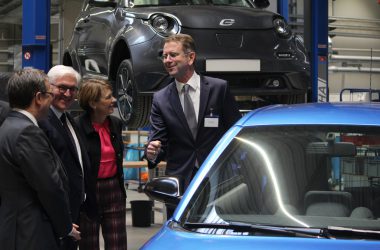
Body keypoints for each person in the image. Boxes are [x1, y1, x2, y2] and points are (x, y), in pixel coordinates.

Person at [145, 34, 241, 217]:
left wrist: (238, 169)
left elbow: (234, 132)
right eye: (164, 56)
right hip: (181, 183)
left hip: (218, 176)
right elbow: (158, 141)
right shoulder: (161, 98)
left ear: (190, 57)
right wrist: (152, 151)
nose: (167, 60)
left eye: (173, 55)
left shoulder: (219, 88)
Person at [0, 68, 80, 250]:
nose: (52, 99)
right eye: (50, 94)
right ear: (38, 98)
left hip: (15, 227)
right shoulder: (28, 133)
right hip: (31, 233)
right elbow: (49, 187)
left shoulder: (7, 126)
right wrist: (66, 227)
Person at [38, 65, 96, 250]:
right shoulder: (42, 122)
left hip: (74, 210)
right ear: (48, 87)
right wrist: (61, 218)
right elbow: (45, 178)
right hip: (55, 216)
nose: (67, 93)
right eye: (62, 88)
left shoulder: (69, 119)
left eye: (73, 89)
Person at [75, 78, 127, 250]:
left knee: (117, 243)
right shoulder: (77, 126)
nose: (113, 100)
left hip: (113, 189)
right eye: (108, 97)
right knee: (88, 244)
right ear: (92, 103)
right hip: (88, 191)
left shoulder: (116, 124)